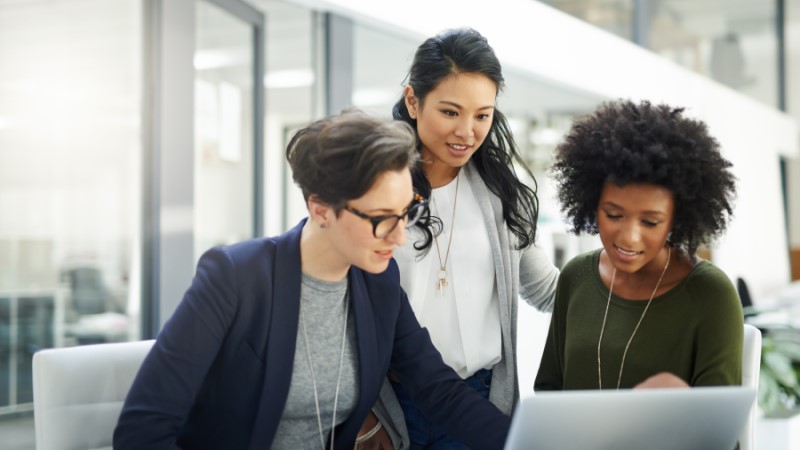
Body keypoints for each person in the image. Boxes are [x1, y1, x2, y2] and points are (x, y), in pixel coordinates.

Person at [113, 109, 511, 450]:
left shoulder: (378, 282)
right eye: (382, 218)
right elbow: (142, 430)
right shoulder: (235, 278)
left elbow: (437, 389)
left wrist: (531, 441)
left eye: (407, 212)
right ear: (321, 209)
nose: (400, 235)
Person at [360, 28, 559, 449]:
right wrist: (363, 419)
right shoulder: (373, 189)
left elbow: (545, 290)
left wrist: (632, 281)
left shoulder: (503, 192)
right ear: (413, 101)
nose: (467, 132)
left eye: (482, 115)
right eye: (450, 112)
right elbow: (340, 305)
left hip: (481, 400)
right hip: (394, 405)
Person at [534, 99, 743, 393]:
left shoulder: (710, 294)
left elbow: (717, 429)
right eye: (614, 215)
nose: (629, 237)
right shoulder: (576, 277)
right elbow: (548, 391)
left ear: (676, 219)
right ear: (592, 204)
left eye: (651, 222)